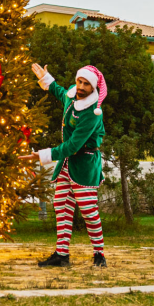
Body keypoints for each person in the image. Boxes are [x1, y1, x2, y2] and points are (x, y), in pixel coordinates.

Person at [19, 63, 108, 268]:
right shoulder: (72, 96)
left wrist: (40, 156)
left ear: (93, 88)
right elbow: (60, 92)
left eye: (86, 84)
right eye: (79, 81)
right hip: (68, 164)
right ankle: (61, 255)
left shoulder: (92, 113)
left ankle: (99, 254)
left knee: (88, 211)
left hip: (84, 164)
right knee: (61, 205)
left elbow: (73, 146)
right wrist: (46, 78)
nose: (81, 86)